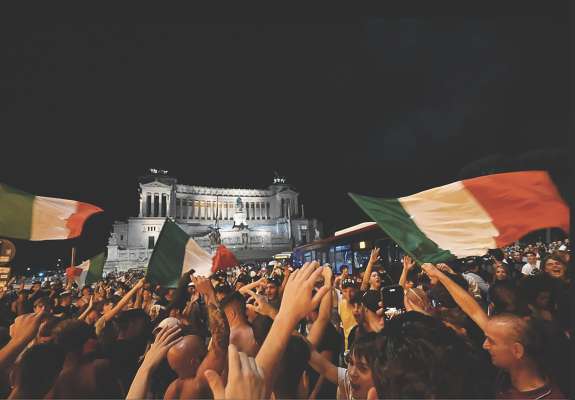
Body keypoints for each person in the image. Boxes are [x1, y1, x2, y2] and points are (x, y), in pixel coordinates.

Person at [164, 276, 229, 399]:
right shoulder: (198, 384)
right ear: (195, 362)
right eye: (204, 352)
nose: (208, 352)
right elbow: (221, 339)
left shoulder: (172, 389)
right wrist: (209, 293)